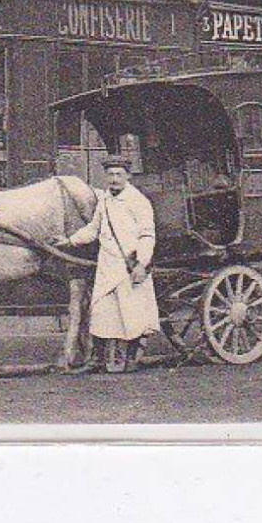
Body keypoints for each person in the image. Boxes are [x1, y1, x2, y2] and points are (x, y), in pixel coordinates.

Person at [53, 155, 160, 373]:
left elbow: (147, 235)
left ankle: (131, 359)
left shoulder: (138, 201)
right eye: (110, 175)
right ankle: (97, 360)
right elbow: (93, 229)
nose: (114, 179)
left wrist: (141, 264)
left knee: (131, 312)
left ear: (127, 176)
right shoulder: (105, 200)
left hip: (128, 266)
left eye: (119, 174)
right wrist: (70, 240)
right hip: (107, 265)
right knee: (101, 311)